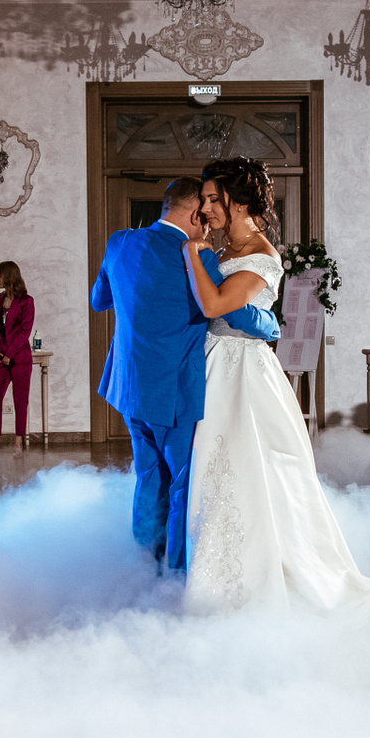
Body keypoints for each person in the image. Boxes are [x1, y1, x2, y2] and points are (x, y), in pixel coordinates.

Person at [180, 158, 370, 617]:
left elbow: (215, 304)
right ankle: (216, 575)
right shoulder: (223, 249)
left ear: (238, 203)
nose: (205, 208)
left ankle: (262, 577)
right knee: (217, 468)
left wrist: (192, 254)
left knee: (253, 467)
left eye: (213, 199)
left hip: (243, 373)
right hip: (213, 365)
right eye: (204, 199)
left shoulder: (261, 255)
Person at [91, 175, 280, 571]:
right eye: (206, 213)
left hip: (128, 386)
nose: (209, 221)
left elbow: (99, 301)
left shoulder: (120, 241)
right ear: (196, 215)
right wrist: (270, 325)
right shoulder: (198, 258)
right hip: (173, 391)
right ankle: (175, 575)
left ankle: (144, 563)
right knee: (183, 487)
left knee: (148, 476)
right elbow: (229, 311)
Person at [0, 260, 35, 450]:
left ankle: (19, 442)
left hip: (19, 358)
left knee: (20, 400)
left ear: (8, 276)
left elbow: (24, 332)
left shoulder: (27, 301)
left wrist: (10, 354)